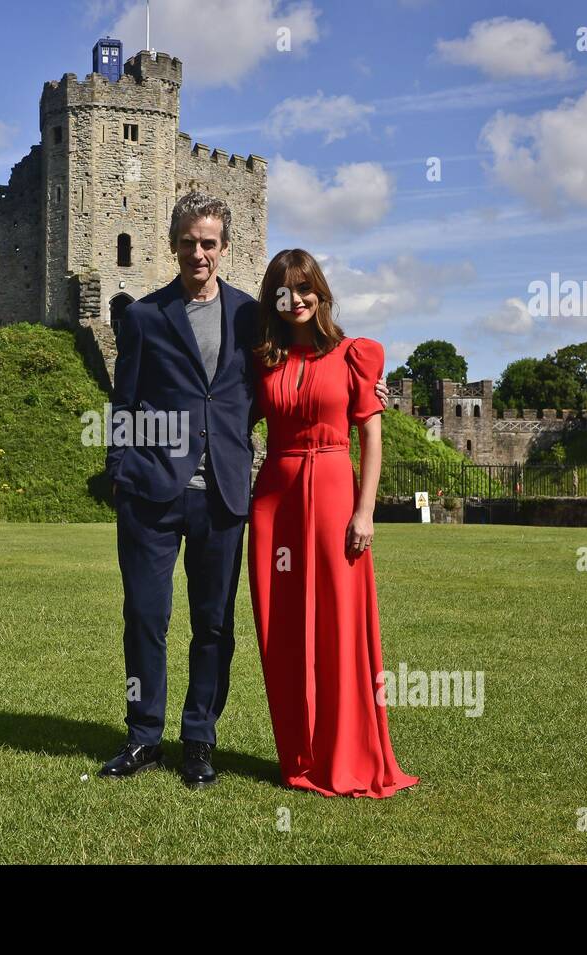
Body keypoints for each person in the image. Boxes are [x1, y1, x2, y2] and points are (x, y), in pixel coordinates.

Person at [100, 193, 389, 789]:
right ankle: (142, 736)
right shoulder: (146, 317)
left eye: (208, 242)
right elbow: (122, 404)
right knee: (145, 617)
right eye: (188, 241)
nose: (198, 252)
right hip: (151, 494)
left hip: (223, 496)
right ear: (173, 244)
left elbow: (281, 389)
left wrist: (354, 405)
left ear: (224, 248)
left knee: (214, 626)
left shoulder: (248, 319)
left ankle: (199, 740)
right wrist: (120, 473)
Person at [247, 248, 419, 798]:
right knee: (280, 629)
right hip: (275, 497)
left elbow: (370, 434)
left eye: (303, 289)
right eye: (282, 291)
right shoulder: (263, 358)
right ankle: (298, 753)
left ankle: (348, 754)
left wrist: (365, 511)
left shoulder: (354, 355)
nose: (294, 300)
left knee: (341, 626)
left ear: (320, 292)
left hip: (333, 494)